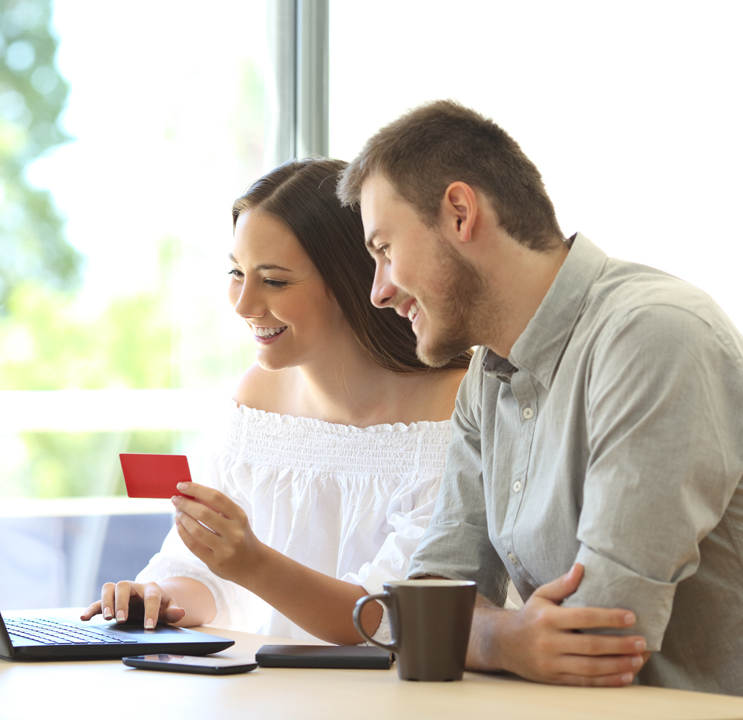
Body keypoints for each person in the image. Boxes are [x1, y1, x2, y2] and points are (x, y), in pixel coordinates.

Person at [336, 99, 743, 697]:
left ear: (459, 212)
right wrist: (509, 640)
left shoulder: (654, 334)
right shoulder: (486, 378)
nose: (378, 292)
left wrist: (482, 632)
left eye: (383, 249)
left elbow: (601, 637)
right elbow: (424, 610)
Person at [80, 158, 470, 644]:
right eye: (236, 272)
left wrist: (253, 563)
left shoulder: (459, 412)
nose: (243, 305)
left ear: (353, 280)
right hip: (279, 692)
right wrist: (159, 597)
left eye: (275, 280)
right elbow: (212, 578)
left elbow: (387, 617)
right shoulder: (255, 400)